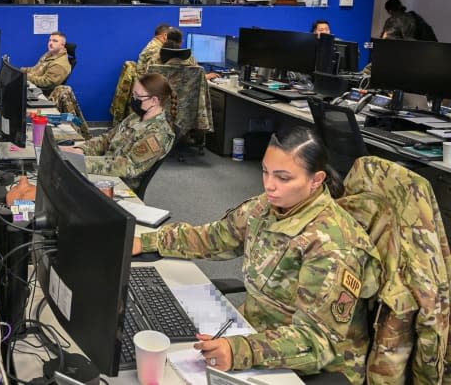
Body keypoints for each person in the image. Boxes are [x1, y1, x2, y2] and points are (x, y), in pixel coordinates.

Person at [133, 127, 381, 384]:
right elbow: (215, 238)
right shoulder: (269, 206)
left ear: (316, 180)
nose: (269, 185)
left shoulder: (333, 245)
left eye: (283, 178)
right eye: (265, 171)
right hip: (254, 332)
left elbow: (318, 342)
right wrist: (148, 241)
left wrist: (241, 350)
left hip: (312, 365)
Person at [62, 73, 175, 190]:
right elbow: (107, 139)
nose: (133, 99)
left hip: (119, 183)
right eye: (133, 94)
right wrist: (81, 150)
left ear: (154, 100)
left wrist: (81, 162)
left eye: (137, 96)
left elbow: (128, 166)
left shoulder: (159, 134)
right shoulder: (135, 117)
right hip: (103, 169)